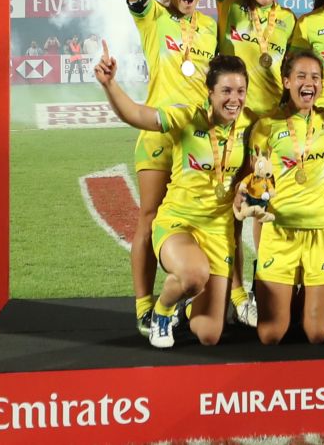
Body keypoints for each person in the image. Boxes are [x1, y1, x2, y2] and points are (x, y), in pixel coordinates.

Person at [190, 0, 297, 325]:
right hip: (231, 125)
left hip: (269, 131)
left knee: (267, 210)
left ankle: (266, 286)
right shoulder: (231, 2)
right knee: (228, 211)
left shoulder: (290, 22)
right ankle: (235, 295)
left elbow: (295, 80)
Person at [96, 47, 253, 348]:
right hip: (179, 224)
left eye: (241, 91)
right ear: (210, 92)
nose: (234, 99)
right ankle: (162, 311)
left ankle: (186, 298)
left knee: (208, 335)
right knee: (194, 274)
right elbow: (139, 115)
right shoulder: (188, 116)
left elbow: (254, 174)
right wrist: (110, 85)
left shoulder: (249, 127)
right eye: (226, 91)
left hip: (218, 234)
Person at [124, 0, 219, 337]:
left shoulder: (209, 29)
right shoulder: (153, 19)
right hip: (160, 133)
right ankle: (145, 304)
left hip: (197, 138)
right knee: (149, 216)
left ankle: (187, 292)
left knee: (199, 216)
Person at [248, 51, 324, 344]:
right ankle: (273, 282)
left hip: (322, 235)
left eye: (315, 77)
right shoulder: (266, 126)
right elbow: (259, 191)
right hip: (281, 233)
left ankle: (304, 291)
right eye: (301, 76)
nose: (309, 82)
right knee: (271, 334)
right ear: (286, 81)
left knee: (316, 334)